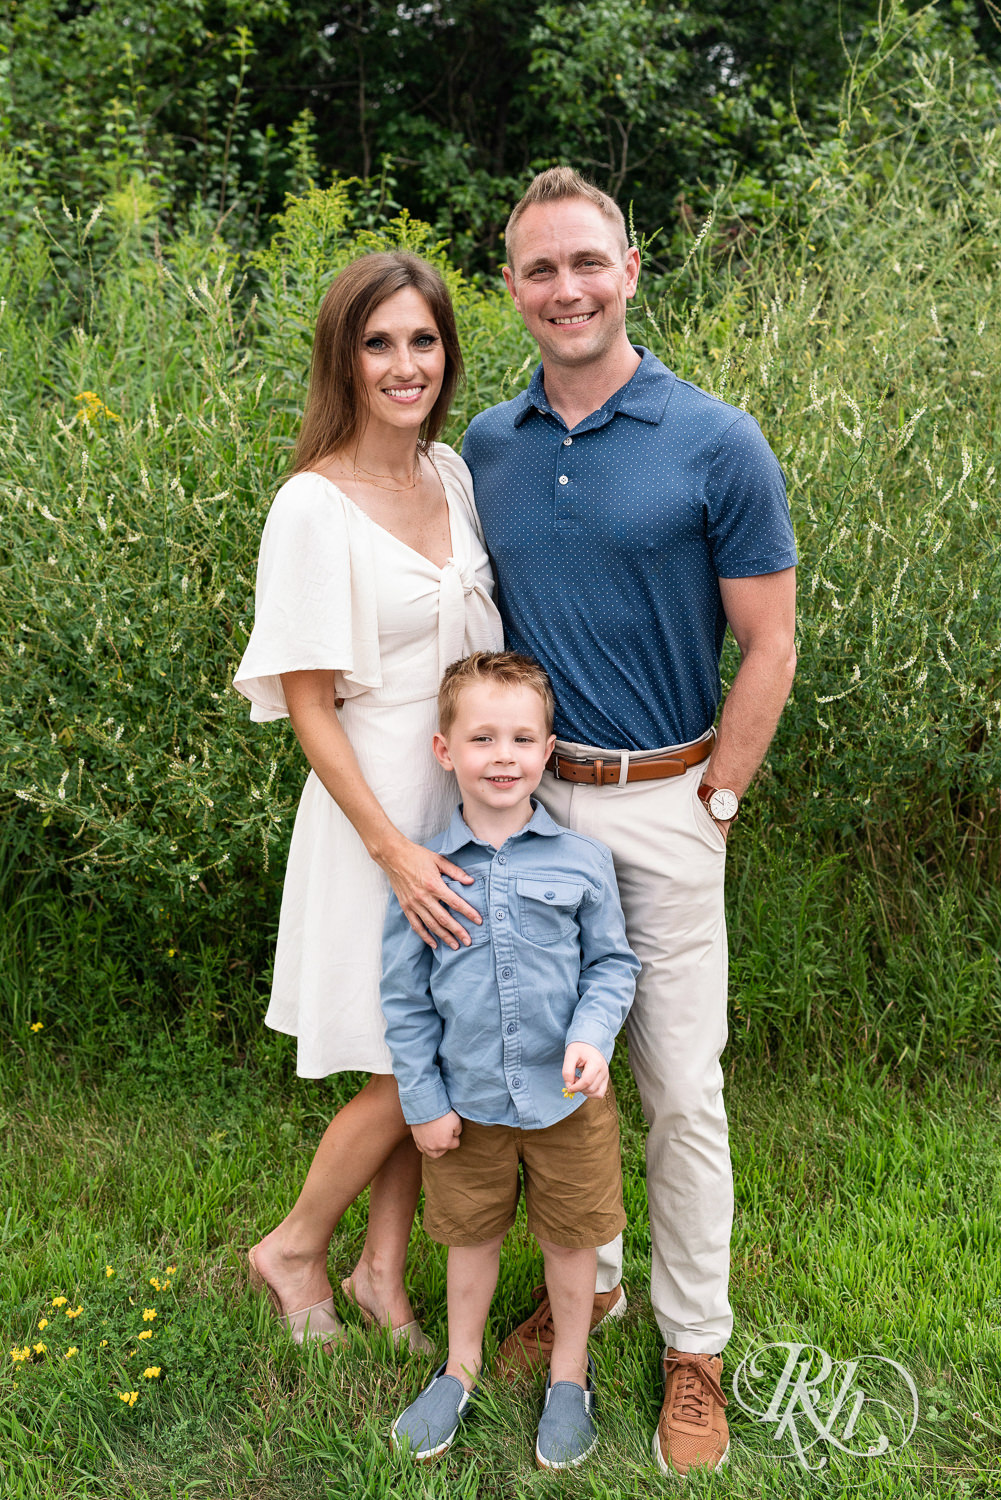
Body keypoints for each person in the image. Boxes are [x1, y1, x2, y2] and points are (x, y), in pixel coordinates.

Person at [461, 167, 798, 1475]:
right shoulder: (490, 444)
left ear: (632, 268)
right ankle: (585, 1290)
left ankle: (694, 1349)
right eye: (540, 270)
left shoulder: (716, 440)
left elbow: (767, 641)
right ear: (513, 291)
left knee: (680, 1085)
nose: (566, 289)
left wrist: (716, 800)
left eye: (586, 262)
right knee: (555, 1077)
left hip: (666, 803)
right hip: (533, 813)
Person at [233, 252, 503, 1354]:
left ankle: (381, 1273)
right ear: (343, 358)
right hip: (373, 817)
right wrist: (390, 847)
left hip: (466, 809)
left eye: (423, 341)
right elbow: (308, 705)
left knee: (426, 1051)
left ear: (445, 353)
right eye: (379, 342)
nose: (405, 365)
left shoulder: (451, 474)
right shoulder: (312, 504)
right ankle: (293, 1245)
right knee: (411, 1060)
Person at [381, 651, 638, 1468]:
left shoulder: (579, 862)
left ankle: (569, 1375)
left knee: (571, 1240)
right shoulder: (424, 873)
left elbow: (611, 964)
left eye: (521, 738)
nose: (502, 756)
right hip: (469, 1105)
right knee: (471, 1237)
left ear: (547, 750)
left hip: (566, 1103)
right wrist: (422, 1101)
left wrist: (592, 1037)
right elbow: (405, 998)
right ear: (444, 751)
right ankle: (459, 1369)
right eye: (482, 737)